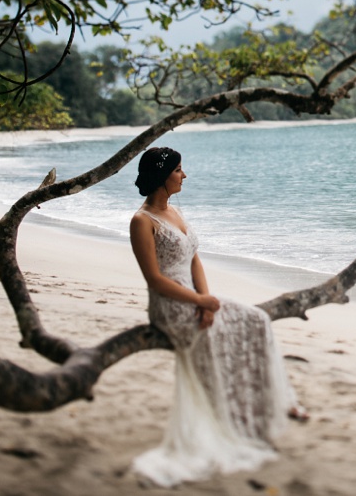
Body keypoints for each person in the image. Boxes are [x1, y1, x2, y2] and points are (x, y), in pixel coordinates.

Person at [128, 147, 305, 487]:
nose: (184, 175)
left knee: (256, 319)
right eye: (179, 170)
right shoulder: (141, 221)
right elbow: (154, 279)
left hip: (195, 298)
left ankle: (266, 406)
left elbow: (194, 259)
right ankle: (232, 418)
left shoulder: (176, 211)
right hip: (169, 304)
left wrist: (207, 301)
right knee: (215, 338)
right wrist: (199, 302)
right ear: (163, 176)